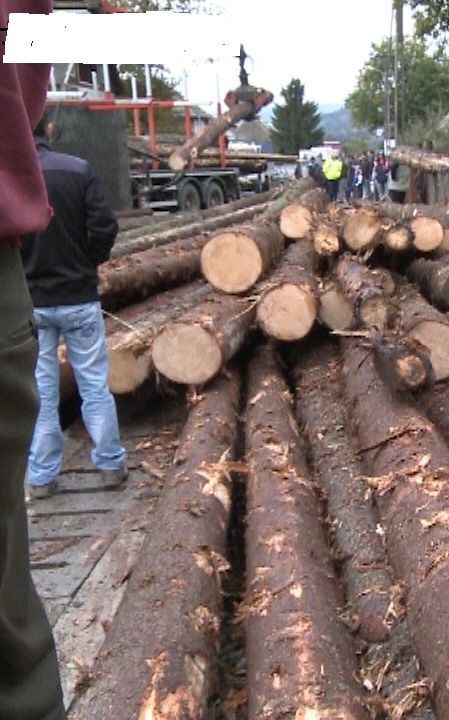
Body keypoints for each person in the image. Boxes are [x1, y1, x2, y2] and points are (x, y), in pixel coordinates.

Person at [0, 0, 69, 716]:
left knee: (47, 396)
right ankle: (101, 461)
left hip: (36, 296)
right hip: (59, 296)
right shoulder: (68, 174)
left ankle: (52, 472)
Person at [21, 114, 128, 500]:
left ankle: (42, 476)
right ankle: (110, 465)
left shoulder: (10, 177)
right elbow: (105, 227)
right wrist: (88, 263)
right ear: (49, 129)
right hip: (79, 297)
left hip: (30, 302)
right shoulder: (77, 169)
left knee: (41, 391)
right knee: (94, 385)